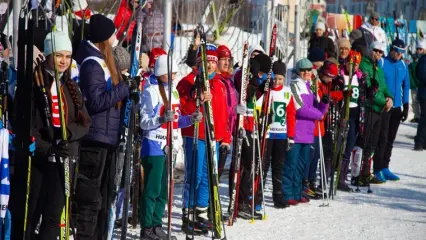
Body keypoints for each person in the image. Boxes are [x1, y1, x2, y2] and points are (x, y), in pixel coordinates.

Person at [73, 14, 136, 239]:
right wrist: (124, 88)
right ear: (103, 38)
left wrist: (129, 88)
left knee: (104, 196)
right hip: (95, 139)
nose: (115, 38)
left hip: (107, 138)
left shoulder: (104, 60)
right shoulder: (92, 63)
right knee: (91, 200)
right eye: (112, 35)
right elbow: (97, 101)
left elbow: (113, 97)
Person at [24, 31, 90, 239]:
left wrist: (68, 134)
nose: (64, 61)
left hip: (64, 159)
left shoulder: (70, 86)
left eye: (68, 56)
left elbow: (85, 122)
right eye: (59, 55)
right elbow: (27, 125)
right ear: (49, 54)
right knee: (32, 214)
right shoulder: (35, 83)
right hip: (40, 160)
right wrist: (47, 147)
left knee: (53, 215)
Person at [139, 55, 200, 240]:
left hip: (169, 145)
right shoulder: (150, 91)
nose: (173, 76)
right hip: (154, 145)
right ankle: (147, 228)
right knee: (152, 189)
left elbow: (176, 120)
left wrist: (190, 119)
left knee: (164, 190)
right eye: (170, 73)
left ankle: (157, 225)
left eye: (174, 72)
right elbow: (143, 122)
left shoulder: (173, 91)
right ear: (160, 72)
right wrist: (160, 119)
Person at [177, 43, 231, 233]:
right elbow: (181, 110)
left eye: (213, 62)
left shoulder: (219, 83)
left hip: (213, 136)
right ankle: (188, 213)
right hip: (195, 134)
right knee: (195, 175)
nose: (209, 66)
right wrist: (196, 98)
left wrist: (225, 136)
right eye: (206, 62)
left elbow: (224, 113)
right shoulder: (188, 82)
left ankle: (201, 212)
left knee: (209, 176)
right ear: (199, 63)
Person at [283, 59, 329, 205]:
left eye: (309, 70)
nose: (307, 73)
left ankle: (297, 193)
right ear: (298, 71)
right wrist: (319, 114)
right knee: (291, 164)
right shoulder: (294, 85)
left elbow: (319, 109)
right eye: (303, 70)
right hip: (296, 131)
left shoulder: (310, 87)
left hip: (308, 133)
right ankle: (287, 193)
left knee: (302, 166)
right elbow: (300, 108)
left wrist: (324, 103)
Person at [357, 41, 393, 186]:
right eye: (376, 51)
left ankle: (366, 172)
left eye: (380, 52)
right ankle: (358, 173)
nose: (378, 54)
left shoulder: (378, 68)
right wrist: (383, 101)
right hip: (369, 107)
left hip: (378, 110)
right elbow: (371, 89)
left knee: (373, 142)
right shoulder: (364, 65)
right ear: (370, 50)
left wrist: (390, 98)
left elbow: (383, 87)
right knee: (364, 141)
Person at [374, 38, 410, 182]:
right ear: (392, 49)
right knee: (381, 138)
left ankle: (385, 167)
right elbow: (378, 84)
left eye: (402, 52)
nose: (399, 54)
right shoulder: (383, 62)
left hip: (396, 107)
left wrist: (406, 105)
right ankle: (376, 169)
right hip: (384, 106)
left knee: (390, 139)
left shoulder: (403, 65)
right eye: (397, 51)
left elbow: (406, 86)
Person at [261, 60, 296, 208]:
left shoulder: (287, 92)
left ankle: (278, 195)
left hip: (281, 135)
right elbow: (261, 110)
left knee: (278, 166)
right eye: (275, 78)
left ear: (284, 79)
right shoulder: (266, 92)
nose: (277, 81)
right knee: (264, 165)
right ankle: (258, 194)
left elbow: (291, 115)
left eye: (280, 79)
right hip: (268, 135)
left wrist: (291, 136)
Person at [337, 50, 363, 192]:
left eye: (356, 65)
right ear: (346, 63)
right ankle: (333, 173)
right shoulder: (341, 76)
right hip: (343, 113)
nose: (353, 67)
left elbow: (362, 95)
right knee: (339, 144)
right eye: (351, 64)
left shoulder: (359, 77)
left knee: (350, 145)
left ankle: (342, 177)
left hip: (355, 114)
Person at [216, 43, 238, 177]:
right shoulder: (216, 80)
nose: (226, 62)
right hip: (218, 132)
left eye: (228, 59)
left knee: (218, 173)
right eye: (223, 59)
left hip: (227, 133)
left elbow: (231, 110)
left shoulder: (229, 80)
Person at [409, 39, 426, 123]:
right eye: (418, 49)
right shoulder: (414, 59)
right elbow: (411, 72)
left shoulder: (423, 59)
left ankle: (420, 116)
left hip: (421, 85)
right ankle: (417, 116)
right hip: (415, 84)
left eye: (420, 49)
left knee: (420, 103)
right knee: (415, 101)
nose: (419, 51)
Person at [414, 52, 426, 150]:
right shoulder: (424, 59)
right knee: (424, 117)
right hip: (424, 94)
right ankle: (419, 141)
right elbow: (421, 75)